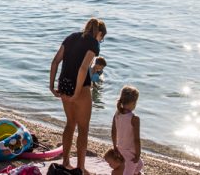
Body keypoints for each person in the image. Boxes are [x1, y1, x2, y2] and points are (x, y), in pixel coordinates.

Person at [49, 18, 106, 173]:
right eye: (102, 38)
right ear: (99, 33)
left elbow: (55, 61)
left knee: (70, 123)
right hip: (79, 87)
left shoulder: (71, 37)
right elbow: (82, 69)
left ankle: (66, 161)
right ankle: (80, 168)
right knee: (83, 128)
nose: (101, 41)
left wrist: (51, 86)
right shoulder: (94, 43)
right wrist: (76, 93)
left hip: (63, 84)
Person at [109, 86, 143, 175]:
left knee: (140, 164)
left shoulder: (117, 115)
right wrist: (138, 154)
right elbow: (137, 139)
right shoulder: (134, 118)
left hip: (120, 148)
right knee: (131, 168)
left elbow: (113, 132)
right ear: (133, 103)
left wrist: (115, 146)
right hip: (130, 151)